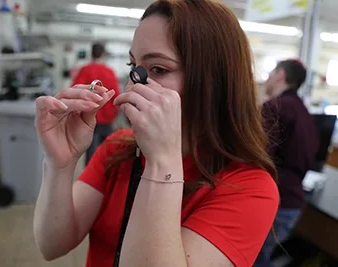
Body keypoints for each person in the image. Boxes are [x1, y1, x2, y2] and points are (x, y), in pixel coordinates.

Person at [33, 1, 279, 267]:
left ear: (214, 81)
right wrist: (59, 165)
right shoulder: (118, 149)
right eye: (133, 66)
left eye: (159, 69)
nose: (133, 85)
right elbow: (52, 245)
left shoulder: (249, 188)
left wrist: (162, 162)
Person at [254, 59, 319, 267]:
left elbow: (257, 155)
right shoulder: (304, 112)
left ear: (281, 74)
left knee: (254, 260)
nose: (268, 78)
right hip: (292, 204)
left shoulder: (275, 107)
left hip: (275, 201)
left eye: (271, 73)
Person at [71, 42, 121, 165]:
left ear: (91, 54)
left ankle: (89, 181)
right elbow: (116, 96)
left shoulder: (85, 70)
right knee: (109, 154)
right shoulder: (109, 72)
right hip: (107, 120)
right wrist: (113, 114)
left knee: (91, 156)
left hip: (89, 119)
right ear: (103, 54)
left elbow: (75, 91)